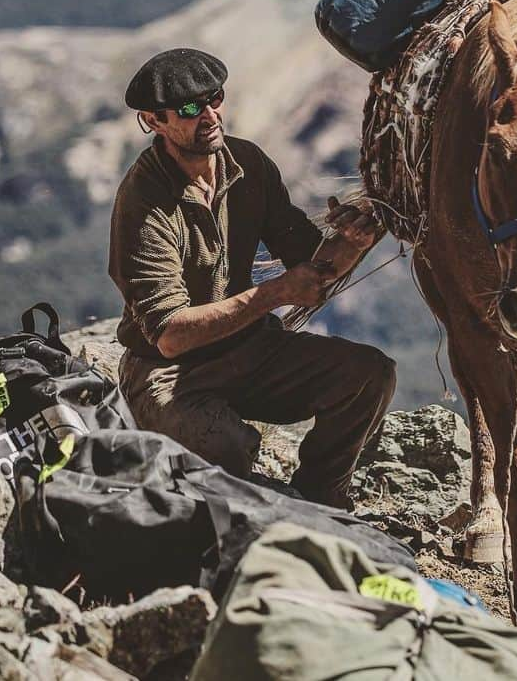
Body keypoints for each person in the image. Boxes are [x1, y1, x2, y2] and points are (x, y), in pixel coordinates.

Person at [109, 47, 396, 508]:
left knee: (369, 374)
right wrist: (275, 293)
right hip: (169, 373)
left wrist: (351, 243)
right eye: (188, 109)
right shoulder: (143, 202)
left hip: (251, 348)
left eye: (214, 98)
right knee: (225, 448)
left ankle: (322, 495)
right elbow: (168, 337)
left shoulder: (247, 164)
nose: (208, 115)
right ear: (154, 121)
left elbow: (310, 262)